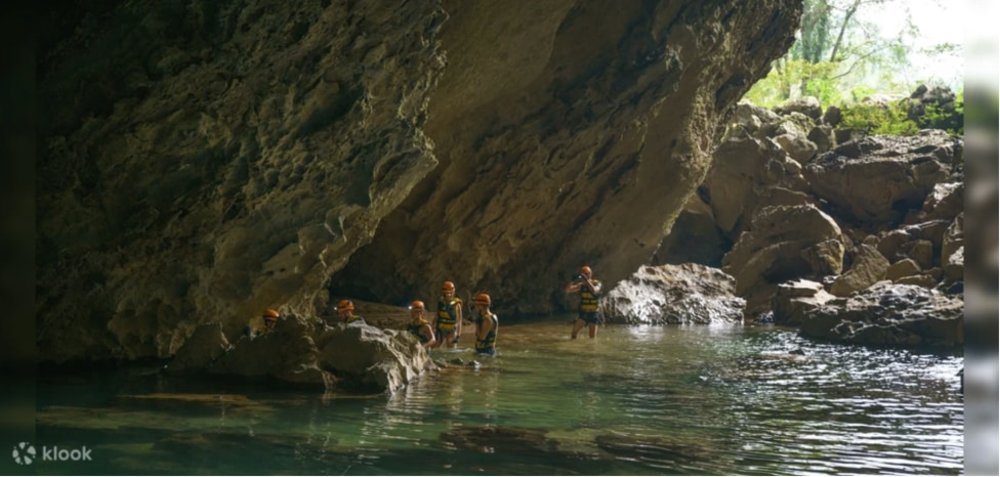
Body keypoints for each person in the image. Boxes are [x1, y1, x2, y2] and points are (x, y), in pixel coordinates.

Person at [565, 265, 602, 339]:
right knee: (573, 334)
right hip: (584, 313)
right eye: (584, 274)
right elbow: (568, 290)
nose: (586, 275)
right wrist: (572, 280)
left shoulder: (597, 283)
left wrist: (587, 281)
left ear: (590, 274)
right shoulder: (581, 285)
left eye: (587, 273)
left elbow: (594, 290)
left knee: (592, 338)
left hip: (594, 313)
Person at [432, 281, 463, 348]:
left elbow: (459, 320)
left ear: (453, 292)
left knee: (451, 346)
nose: (448, 294)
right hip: (441, 327)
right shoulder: (441, 302)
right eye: (447, 292)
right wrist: (432, 326)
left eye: (450, 292)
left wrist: (458, 334)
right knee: (436, 345)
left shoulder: (456, 304)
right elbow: (437, 314)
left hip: (451, 329)